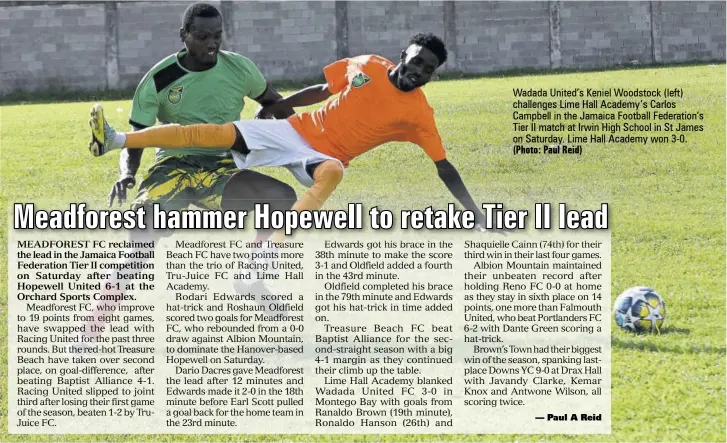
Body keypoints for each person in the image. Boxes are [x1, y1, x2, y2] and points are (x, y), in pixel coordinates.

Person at [89, 33, 491, 243]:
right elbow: (323, 90)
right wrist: (276, 106)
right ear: (404, 54)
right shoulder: (366, 64)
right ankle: (116, 139)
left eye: (428, 69)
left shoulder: (419, 115)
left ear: (433, 75)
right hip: (295, 131)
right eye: (417, 60)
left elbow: (444, 168)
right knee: (218, 134)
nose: (419, 70)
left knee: (333, 171)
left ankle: (259, 266)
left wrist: (476, 214)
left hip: (318, 158)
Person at [80, 3, 296, 345]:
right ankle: (90, 330)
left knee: (283, 198)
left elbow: (277, 103)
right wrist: (127, 175)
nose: (211, 43)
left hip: (222, 168)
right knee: (140, 246)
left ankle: (249, 278)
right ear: (184, 36)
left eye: (217, 35)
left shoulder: (239, 68)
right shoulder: (161, 77)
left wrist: (272, 126)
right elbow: (136, 138)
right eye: (202, 36)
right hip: (173, 167)